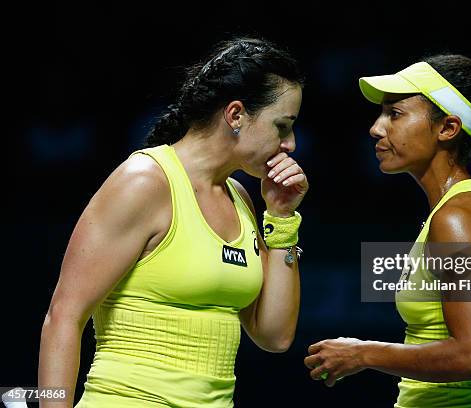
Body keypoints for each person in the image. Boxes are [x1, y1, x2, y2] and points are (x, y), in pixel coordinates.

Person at [38, 37, 308, 407]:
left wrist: (282, 219)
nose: (290, 144)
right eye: (282, 126)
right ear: (235, 115)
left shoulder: (242, 199)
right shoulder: (144, 182)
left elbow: (275, 335)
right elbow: (63, 317)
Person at [304, 54, 471, 407]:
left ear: (448, 129)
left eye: (394, 114)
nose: (376, 128)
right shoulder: (458, 211)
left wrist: (363, 354)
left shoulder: (458, 218)